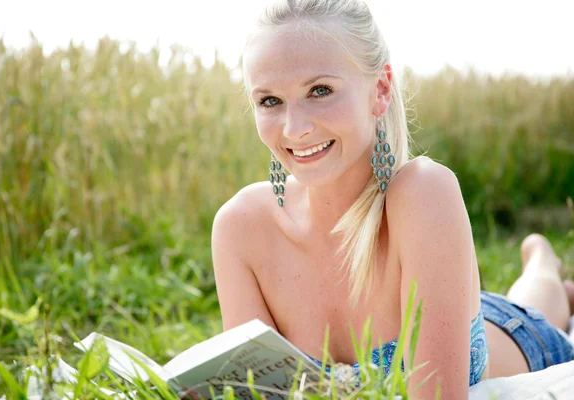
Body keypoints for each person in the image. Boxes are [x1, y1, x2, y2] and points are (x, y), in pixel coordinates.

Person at [210, 0, 574, 398]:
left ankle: (542, 260)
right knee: (525, 293)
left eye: (319, 90)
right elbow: (251, 392)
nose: (295, 129)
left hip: (518, 339)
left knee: (539, 298)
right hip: (454, 306)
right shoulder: (240, 228)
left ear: (380, 90)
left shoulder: (424, 193)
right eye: (270, 101)